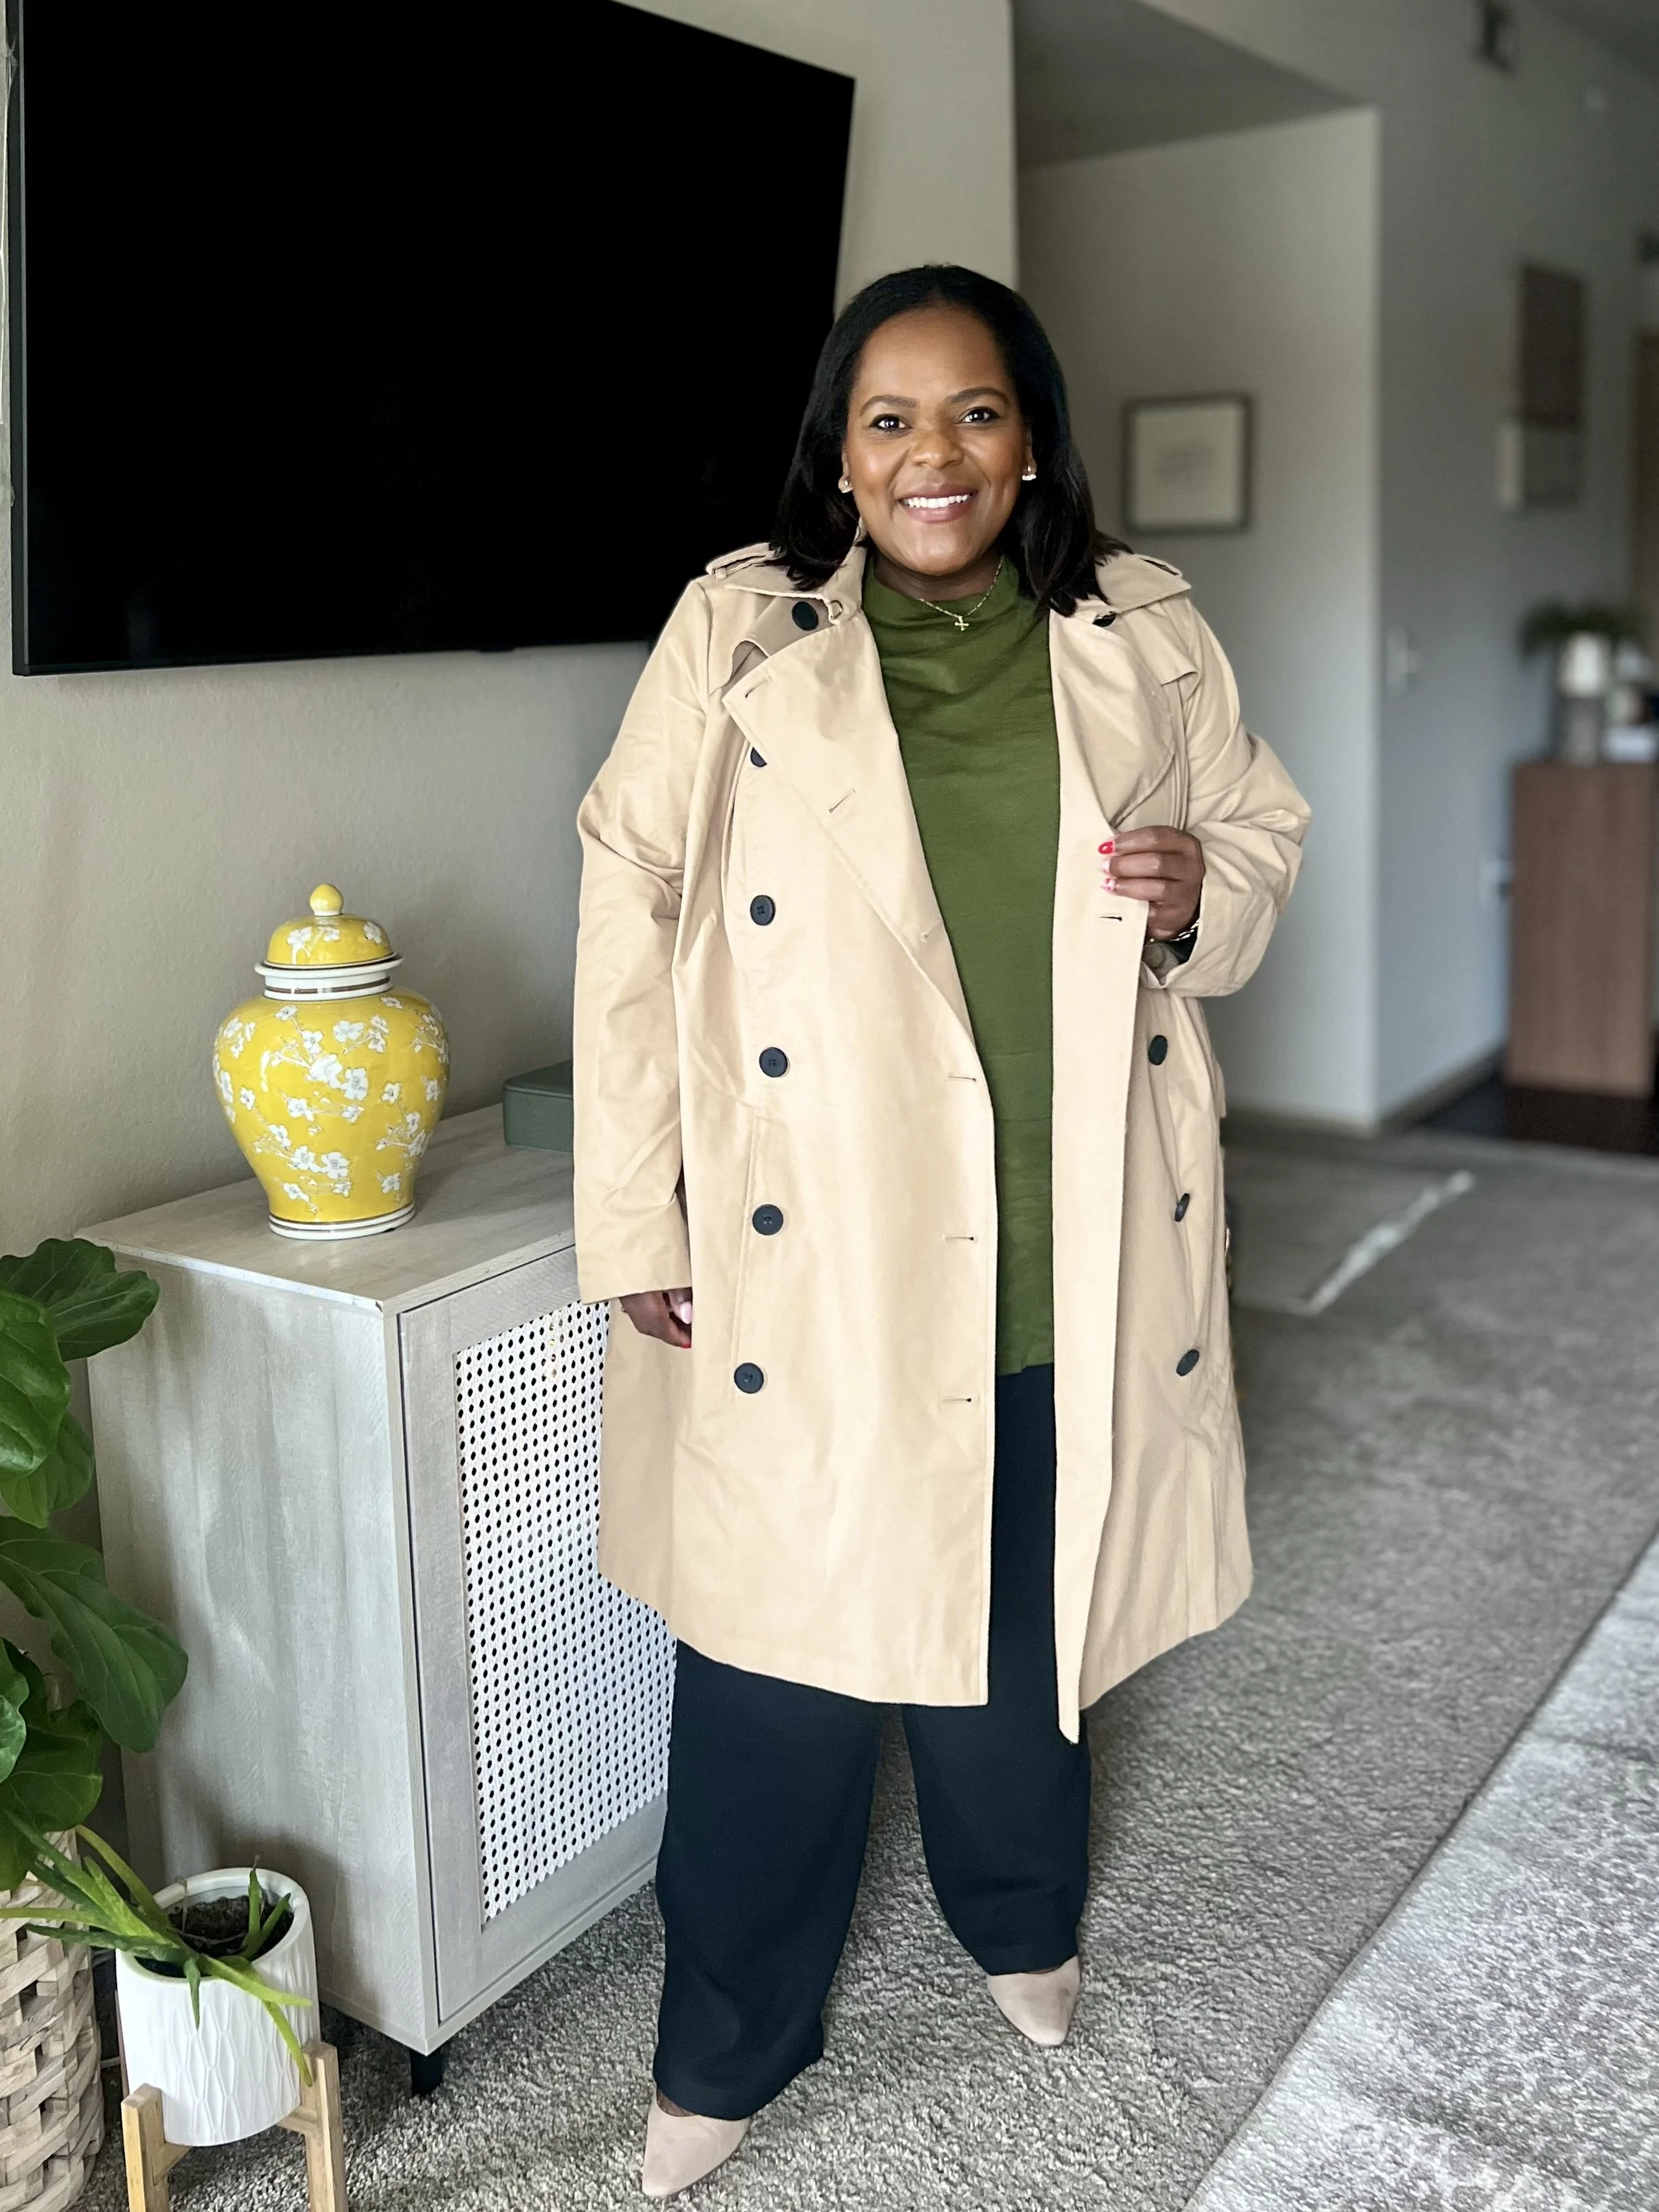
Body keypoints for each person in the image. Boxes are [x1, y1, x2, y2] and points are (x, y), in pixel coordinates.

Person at [573, 264, 1309, 2199]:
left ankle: (1019, 1919)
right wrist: (633, 1202)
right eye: (888, 419)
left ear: (1032, 435)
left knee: (1017, 1630)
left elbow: (1256, 836)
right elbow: (627, 899)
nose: (933, 456)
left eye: (973, 412)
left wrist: (1184, 893)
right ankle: (724, 2045)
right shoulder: (740, 630)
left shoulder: (1133, 630)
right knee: (777, 1676)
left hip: (1063, 1219)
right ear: (837, 449)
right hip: (811, 1230)